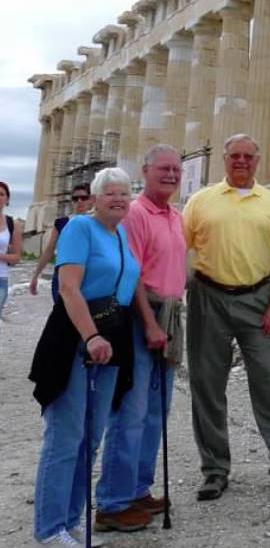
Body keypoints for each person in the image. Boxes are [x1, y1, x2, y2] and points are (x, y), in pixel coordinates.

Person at [182, 133, 270, 501]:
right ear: (224, 159)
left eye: (249, 156)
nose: (242, 161)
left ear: (258, 160)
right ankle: (215, 470)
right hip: (208, 298)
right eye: (235, 155)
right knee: (207, 384)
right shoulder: (200, 201)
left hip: (258, 298)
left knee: (269, 382)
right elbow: (177, 246)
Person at [29, 168, 142, 547]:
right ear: (94, 198)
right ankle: (49, 528)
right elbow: (68, 288)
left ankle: (70, 519)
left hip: (111, 340)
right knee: (66, 435)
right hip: (76, 338)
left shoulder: (121, 233)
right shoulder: (80, 227)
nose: (118, 199)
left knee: (91, 435)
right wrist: (90, 335)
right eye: (109, 193)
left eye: (124, 193)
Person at [95, 145, 184, 532]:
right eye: (163, 168)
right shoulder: (135, 213)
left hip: (169, 315)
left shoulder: (175, 216)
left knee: (155, 411)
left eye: (176, 169)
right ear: (145, 171)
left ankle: (137, 488)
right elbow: (129, 275)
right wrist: (149, 324)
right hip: (140, 317)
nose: (171, 175)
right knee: (130, 411)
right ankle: (112, 502)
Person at [30, 183, 94, 302]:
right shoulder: (62, 222)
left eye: (83, 198)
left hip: (87, 277)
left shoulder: (95, 222)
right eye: (75, 198)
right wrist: (36, 275)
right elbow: (49, 249)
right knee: (61, 316)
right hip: (62, 277)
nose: (79, 201)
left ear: (91, 200)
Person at [0, 181, 23, 319]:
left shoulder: (12, 224)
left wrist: (1, 256)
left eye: (1, 194)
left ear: (7, 199)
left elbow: (16, 258)